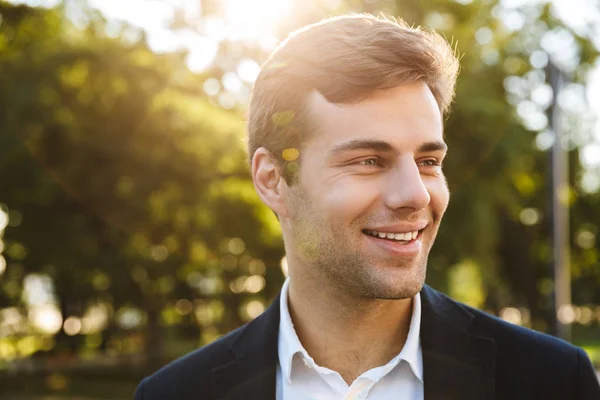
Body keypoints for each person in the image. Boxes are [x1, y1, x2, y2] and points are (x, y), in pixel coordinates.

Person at [134, 14, 600, 400]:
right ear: (273, 180)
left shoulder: (553, 381)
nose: (416, 194)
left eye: (428, 161)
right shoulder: (174, 395)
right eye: (369, 161)